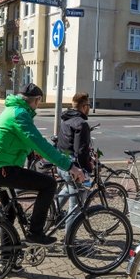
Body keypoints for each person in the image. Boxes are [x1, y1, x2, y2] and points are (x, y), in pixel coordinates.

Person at [0, 83, 85, 245]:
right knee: (49, 184)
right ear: (35, 100)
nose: (38, 106)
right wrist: (70, 166)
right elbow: (40, 143)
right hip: (1, 169)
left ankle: (7, 260)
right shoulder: (20, 114)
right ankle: (35, 234)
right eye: (38, 102)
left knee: (10, 213)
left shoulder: (13, 109)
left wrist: (32, 151)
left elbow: (22, 139)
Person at [56, 92, 93, 231]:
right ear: (84, 107)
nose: (89, 108)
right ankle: (69, 242)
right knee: (76, 207)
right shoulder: (81, 124)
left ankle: (54, 215)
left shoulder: (65, 120)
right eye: (89, 105)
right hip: (73, 168)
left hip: (62, 164)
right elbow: (81, 152)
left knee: (67, 189)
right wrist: (87, 170)